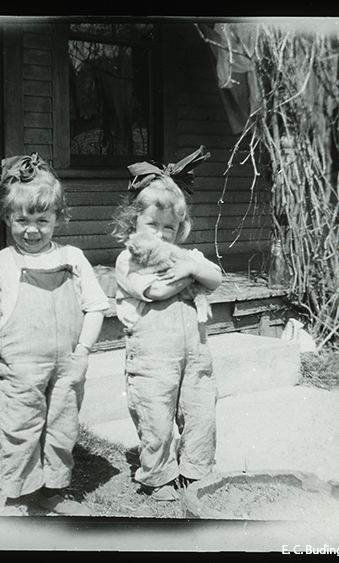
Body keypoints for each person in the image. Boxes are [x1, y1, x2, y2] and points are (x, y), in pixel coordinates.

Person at [0, 153, 110, 516]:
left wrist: (83, 350)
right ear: (7, 218)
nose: (31, 230)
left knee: (61, 428)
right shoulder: (0, 264)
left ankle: (53, 491)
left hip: (68, 363)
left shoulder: (73, 257)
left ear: (58, 219)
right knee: (20, 427)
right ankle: (18, 495)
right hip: (20, 363)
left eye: (42, 221)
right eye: (22, 220)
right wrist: (1, 343)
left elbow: (95, 306)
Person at [111, 154, 222, 502]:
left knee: (200, 409)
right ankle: (157, 475)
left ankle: (196, 471)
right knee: (155, 413)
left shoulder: (185, 256)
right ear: (134, 224)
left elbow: (215, 278)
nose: (161, 234)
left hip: (195, 353)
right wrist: (190, 273)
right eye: (152, 226)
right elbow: (156, 291)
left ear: (180, 229)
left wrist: (192, 265)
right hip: (153, 356)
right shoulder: (129, 258)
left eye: (169, 228)